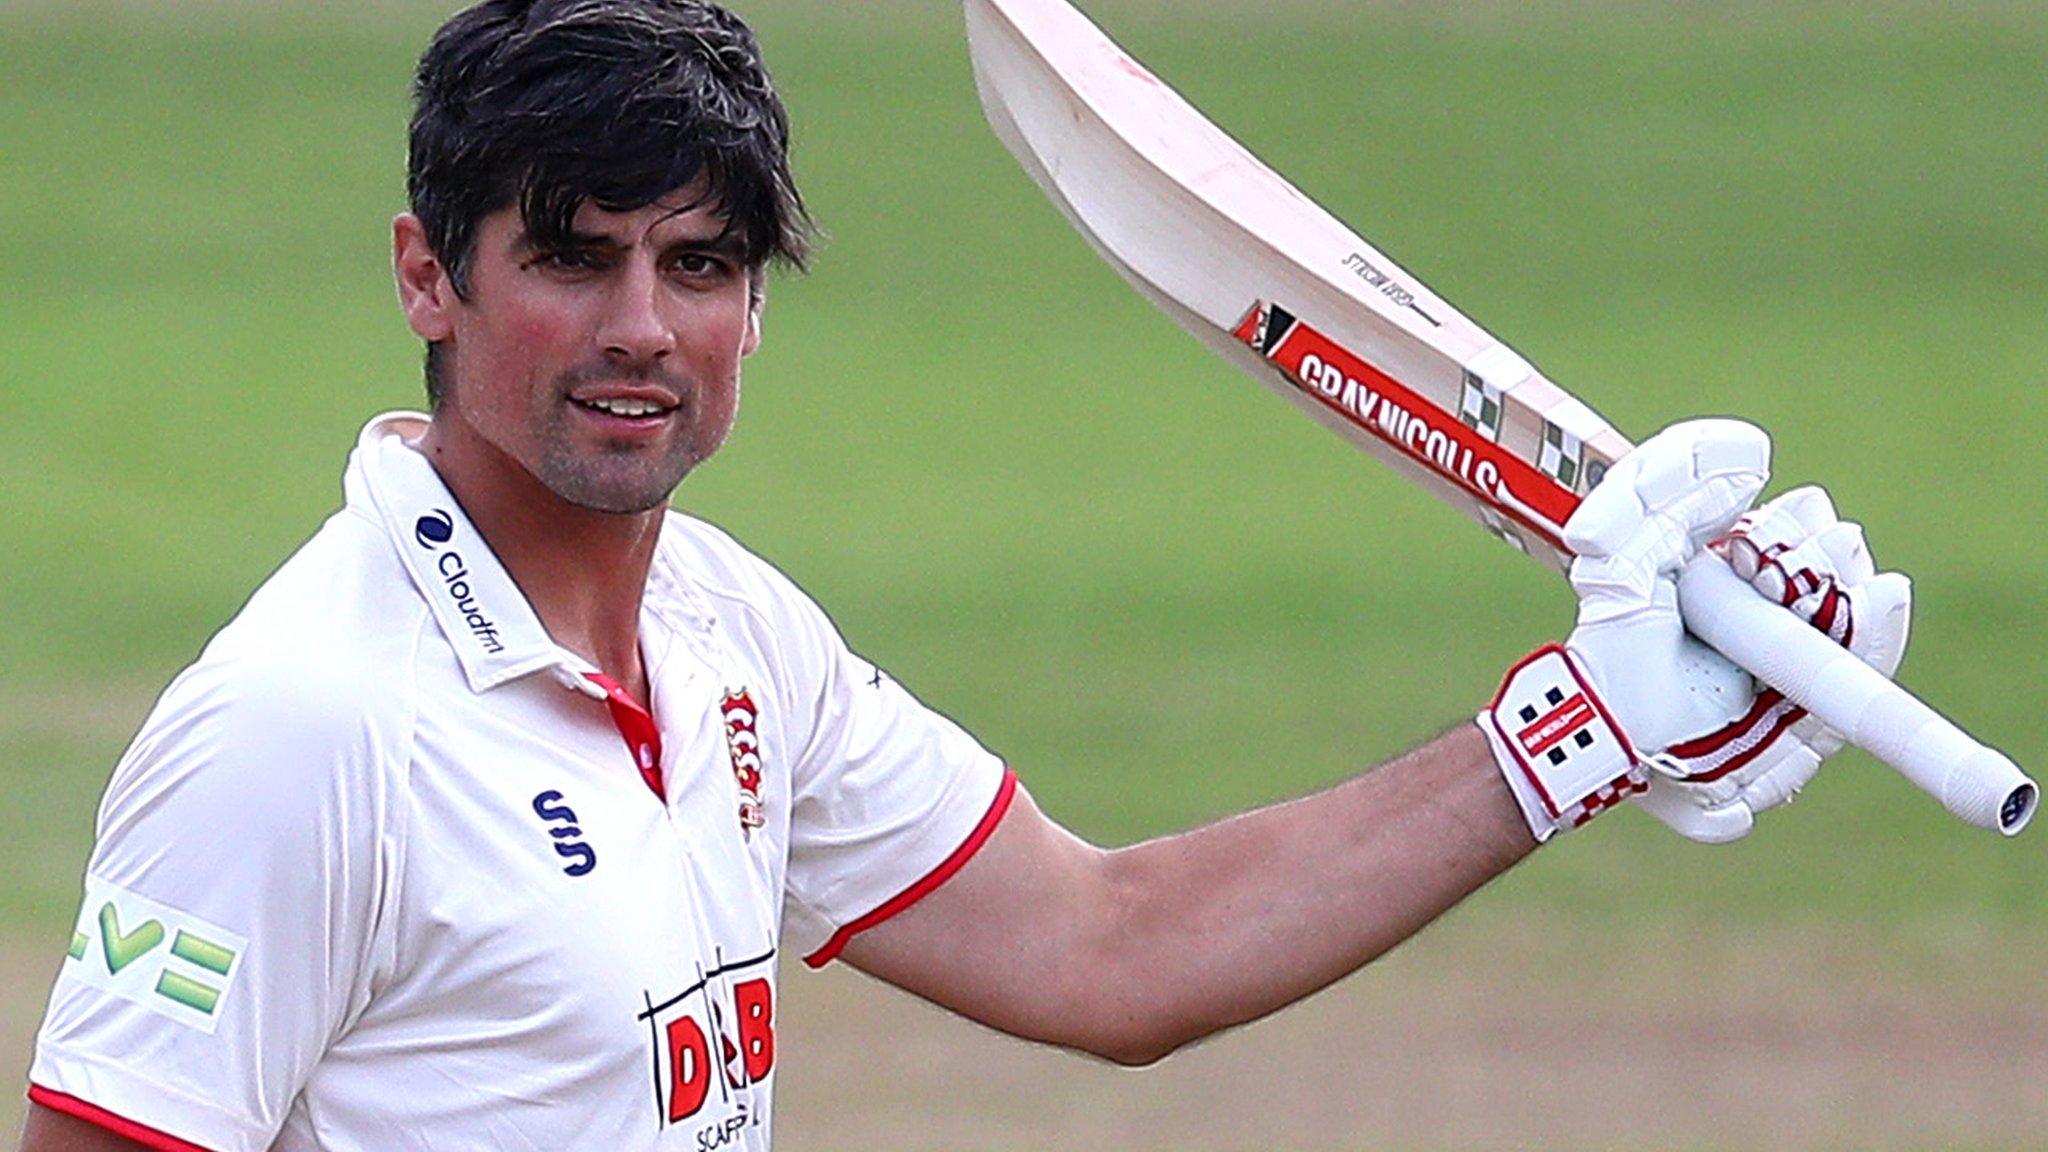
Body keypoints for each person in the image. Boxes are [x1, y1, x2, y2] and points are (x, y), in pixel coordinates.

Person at [19, 2, 1911, 1150]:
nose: (637, 330)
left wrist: (1564, 740)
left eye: (697, 267)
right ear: (430, 275)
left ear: (758, 303)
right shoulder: (304, 729)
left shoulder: (727, 635)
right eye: (570, 259)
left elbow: (1110, 949)